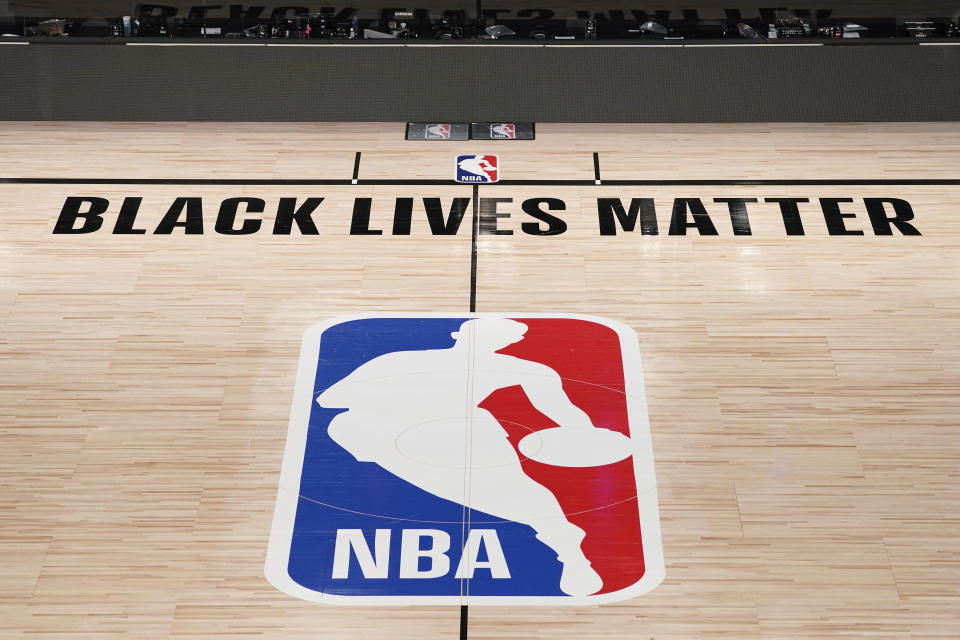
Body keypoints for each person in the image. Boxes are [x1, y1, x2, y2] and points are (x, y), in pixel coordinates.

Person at [317, 318, 604, 596]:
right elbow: (330, 399)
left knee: (524, 494)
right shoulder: (398, 362)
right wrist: (405, 393)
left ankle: (572, 556)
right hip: (397, 434)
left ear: (509, 343)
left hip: (464, 433)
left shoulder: (525, 370)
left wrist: (588, 436)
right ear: (458, 335)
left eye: (499, 337)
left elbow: (564, 412)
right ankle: (564, 542)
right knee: (348, 426)